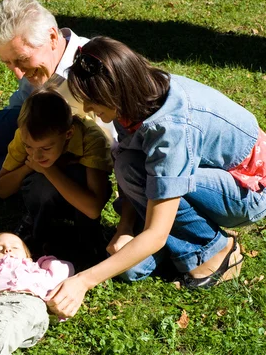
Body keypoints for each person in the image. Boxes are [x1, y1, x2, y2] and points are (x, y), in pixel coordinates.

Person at [46, 36, 266, 319]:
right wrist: (124, 228)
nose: (88, 111)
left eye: (91, 102)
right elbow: (129, 163)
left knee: (140, 176)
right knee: (132, 263)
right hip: (205, 174)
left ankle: (215, 249)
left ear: (114, 93)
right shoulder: (134, 101)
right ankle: (179, 246)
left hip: (248, 190)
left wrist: (83, 281)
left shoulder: (170, 128)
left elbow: (156, 233)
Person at [0, 0, 116, 190]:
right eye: (8, 62)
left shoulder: (94, 70)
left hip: (62, 155)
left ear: (51, 37)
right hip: (23, 130)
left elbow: (110, 145)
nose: (18, 73)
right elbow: (17, 109)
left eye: (22, 59)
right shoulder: (39, 64)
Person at [0, 87, 113, 267]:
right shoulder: (26, 136)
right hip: (44, 195)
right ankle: (37, 233)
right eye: (29, 148)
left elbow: (93, 208)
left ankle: (88, 240)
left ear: (68, 134)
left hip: (82, 201)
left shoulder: (91, 138)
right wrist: (28, 168)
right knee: (42, 185)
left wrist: (48, 170)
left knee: (74, 175)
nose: (36, 155)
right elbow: (1, 190)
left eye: (46, 148)